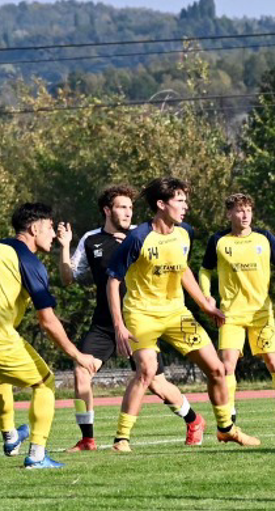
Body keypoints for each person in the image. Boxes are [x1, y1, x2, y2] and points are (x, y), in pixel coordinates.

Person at [108, 177, 257, 449]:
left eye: (185, 200)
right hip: (142, 315)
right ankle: (121, 438)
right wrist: (119, 325)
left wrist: (204, 304)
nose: (185, 206)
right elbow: (113, 280)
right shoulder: (137, 237)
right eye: (180, 200)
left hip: (177, 315)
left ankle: (226, 429)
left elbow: (183, 269)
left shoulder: (184, 232)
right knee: (147, 371)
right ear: (161, 204)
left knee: (217, 369)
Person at [0, 202, 100, 469]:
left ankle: (11, 437)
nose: (53, 235)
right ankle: (36, 455)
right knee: (45, 382)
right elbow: (47, 321)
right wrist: (77, 355)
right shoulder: (28, 261)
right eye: (48, 229)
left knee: (0, 378)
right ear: (34, 228)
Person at [57, 184, 199, 452]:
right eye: (122, 207)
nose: (128, 212)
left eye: (131, 207)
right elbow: (68, 278)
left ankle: (193, 420)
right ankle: (87, 439)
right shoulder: (91, 240)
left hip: (139, 319)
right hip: (105, 323)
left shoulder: (142, 236)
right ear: (107, 210)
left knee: (156, 382)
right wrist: (64, 247)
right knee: (81, 370)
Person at [199, 193, 275, 429]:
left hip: (260, 315)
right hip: (230, 316)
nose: (245, 215)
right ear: (229, 214)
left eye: (248, 210)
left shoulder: (264, 238)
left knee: (274, 362)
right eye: (240, 210)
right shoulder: (219, 240)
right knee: (227, 365)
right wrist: (206, 295)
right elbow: (204, 270)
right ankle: (230, 412)